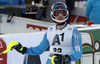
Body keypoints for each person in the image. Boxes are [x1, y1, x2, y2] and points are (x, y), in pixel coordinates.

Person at [12, 2, 82, 64]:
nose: (60, 16)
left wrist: (65, 59)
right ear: (52, 14)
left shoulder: (73, 31)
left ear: (67, 13)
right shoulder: (49, 31)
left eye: (63, 13)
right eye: (57, 13)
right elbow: (40, 49)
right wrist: (24, 50)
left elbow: (78, 54)